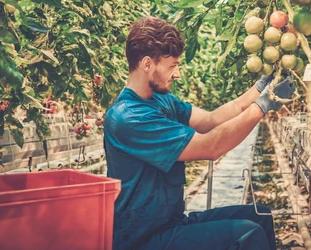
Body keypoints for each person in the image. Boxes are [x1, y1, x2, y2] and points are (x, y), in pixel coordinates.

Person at [104, 16, 295, 250]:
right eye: (172, 66)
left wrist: (260, 88)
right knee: (246, 234)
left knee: (261, 216)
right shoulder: (129, 117)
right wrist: (263, 106)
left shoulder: (161, 101)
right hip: (142, 239)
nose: (177, 74)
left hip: (170, 224)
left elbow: (211, 120)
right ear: (147, 64)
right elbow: (210, 147)